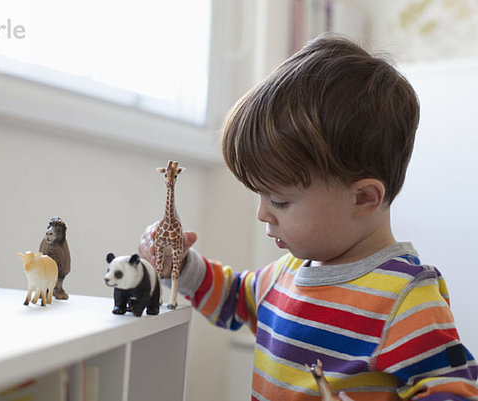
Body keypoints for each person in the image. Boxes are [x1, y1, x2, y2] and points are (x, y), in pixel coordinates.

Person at [138, 35, 478, 401]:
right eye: (262, 196)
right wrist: (182, 265)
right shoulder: (282, 275)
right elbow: (235, 298)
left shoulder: (405, 299)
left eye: (280, 201)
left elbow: (455, 392)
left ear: (363, 198)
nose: (262, 213)